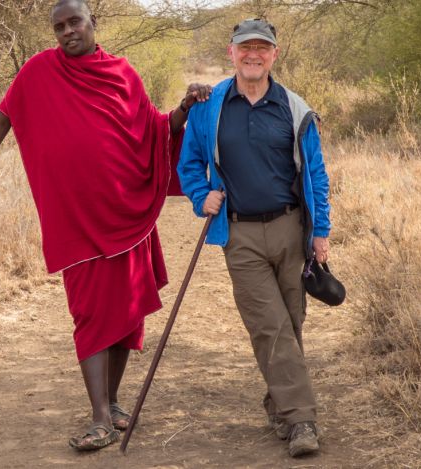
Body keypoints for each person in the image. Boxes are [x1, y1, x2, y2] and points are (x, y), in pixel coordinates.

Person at [0, 0, 210, 452]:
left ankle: (111, 403)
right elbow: (1, 119)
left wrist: (185, 106)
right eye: (59, 26)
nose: (67, 31)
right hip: (75, 218)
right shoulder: (37, 73)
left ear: (94, 23)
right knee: (89, 313)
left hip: (126, 211)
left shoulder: (123, 73)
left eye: (74, 22)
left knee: (126, 311)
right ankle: (99, 418)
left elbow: (154, 128)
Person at [177, 18, 331, 458]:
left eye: (262, 48)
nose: (253, 55)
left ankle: (279, 402)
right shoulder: (209, 107)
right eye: (246, 47)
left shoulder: (295, 108)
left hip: (290, 228)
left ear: (274, 55)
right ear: (232, 52)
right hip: (239, 232)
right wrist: (198, 195)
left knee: (291, 322)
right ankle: (302, 419)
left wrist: (320, 232)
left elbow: (316, 174)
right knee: (269, 325)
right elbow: (189, 164)